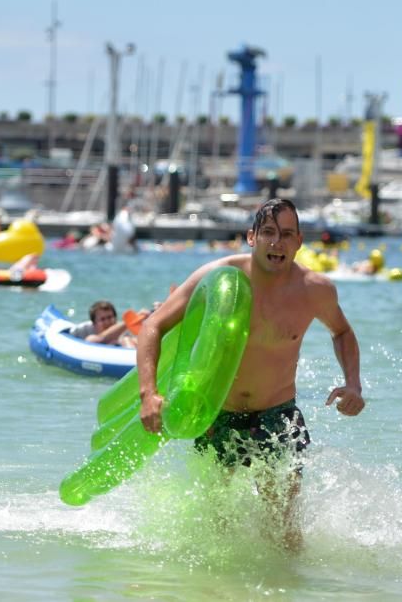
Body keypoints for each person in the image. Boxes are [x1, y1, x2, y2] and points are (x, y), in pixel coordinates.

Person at [137, 198, 364, 551]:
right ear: (251, 237)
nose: (278, 243)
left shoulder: (314, 290)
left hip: (279, 416)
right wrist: (148, 393)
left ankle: (287, 586)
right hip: (218, 416)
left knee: (285, 529)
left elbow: (343, 332)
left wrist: (353, 383)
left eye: (287, 234)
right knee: (217, 530)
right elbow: (154, 325)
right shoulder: (218, 277)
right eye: (269, 233)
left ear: (299, 241)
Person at [70, 300, 143, 348]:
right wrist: (129, 322)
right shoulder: (92, 339)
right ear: (94, 324)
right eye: (102, 319)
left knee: (127, 339)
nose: (107, 322)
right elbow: (100, 339)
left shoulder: (126, 336)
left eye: (110, 317)